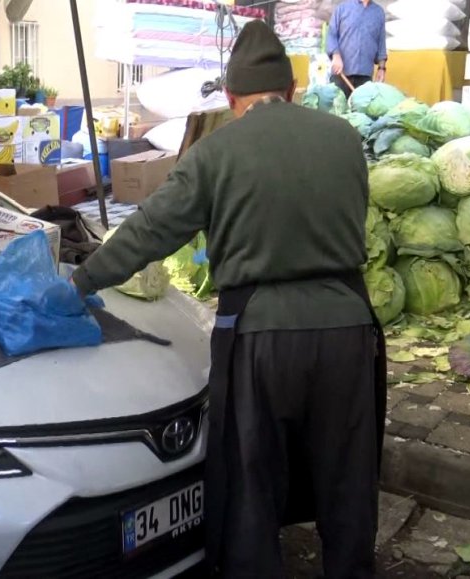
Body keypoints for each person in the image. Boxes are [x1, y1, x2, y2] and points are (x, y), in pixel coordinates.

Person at [70, 20, 386, 579]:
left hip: (261, 338)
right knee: (349, 483)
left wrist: (80, 281)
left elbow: (149, 232)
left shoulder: (214, 153)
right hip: (349, 331)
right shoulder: (344, 140)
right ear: (291, 89)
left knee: (251, 489)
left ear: (234, 97)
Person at [326, 0, 388, 97]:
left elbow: (381, 42)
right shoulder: (342, 9)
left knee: (360, 111)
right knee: (336, 111)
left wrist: (381, 68)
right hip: (341, 75)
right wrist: (336, 55)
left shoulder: (378, 12)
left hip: (365, 78)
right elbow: (331, 35)